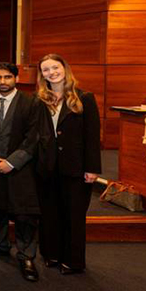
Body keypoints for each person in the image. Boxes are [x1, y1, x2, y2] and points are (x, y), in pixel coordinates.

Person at [0, 62, 43, 282]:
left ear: (16, 77)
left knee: (24, 213)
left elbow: (34, 137)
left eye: (7, 77)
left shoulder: (31, 102)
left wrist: (12, 162)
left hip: (20, 166)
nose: (3, 82)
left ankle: (27, 255)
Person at [36, 54, 101, 275]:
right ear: (41, 74)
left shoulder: (84, 98)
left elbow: (92, 137)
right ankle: (51, 254)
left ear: (65, 68)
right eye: (46, 69)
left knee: (73, 215)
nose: (51, 72)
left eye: (55, 67)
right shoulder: (39, 100)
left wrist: (92, 168)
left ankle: (73, 261)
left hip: (75, 167)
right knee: (49, 212)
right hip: (47, 167)